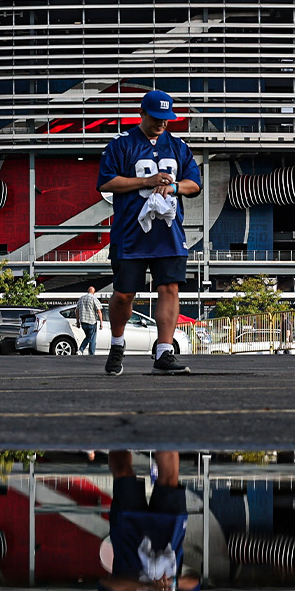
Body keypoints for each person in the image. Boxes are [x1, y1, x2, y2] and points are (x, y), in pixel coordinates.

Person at [98, 90, 200, 376]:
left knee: (170, 288)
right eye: (156, 118)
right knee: (124, 294)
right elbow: (106, 183)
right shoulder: (121, 144)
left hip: (168, 232)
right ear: (142, 113)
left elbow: (194, 184)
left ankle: (164, 351)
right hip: (130, 232)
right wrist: (147, 181)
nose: (162, 124)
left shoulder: (178, 146)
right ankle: (117, 343)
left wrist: (174, 187)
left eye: (166, 119)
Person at [98, 450, 199, 591]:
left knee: (123, 473)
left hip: (130, 536)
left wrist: (144, 586)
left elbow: (106, 585)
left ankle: (117, 431)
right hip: (168, 537)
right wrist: (173, 584)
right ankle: (164, 430)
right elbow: (194, 583)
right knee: (169, 479)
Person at [75, 285, 104, 355]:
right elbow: (99, 311)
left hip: (83, 322)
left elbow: (77, 310)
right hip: (92, 322)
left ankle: (87, 352)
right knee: (91, 338)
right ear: (94, 292)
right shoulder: (94, 298)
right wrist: (101, 322)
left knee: (89, 337)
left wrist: (78, 321)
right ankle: (84, 351)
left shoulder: (81, 298)